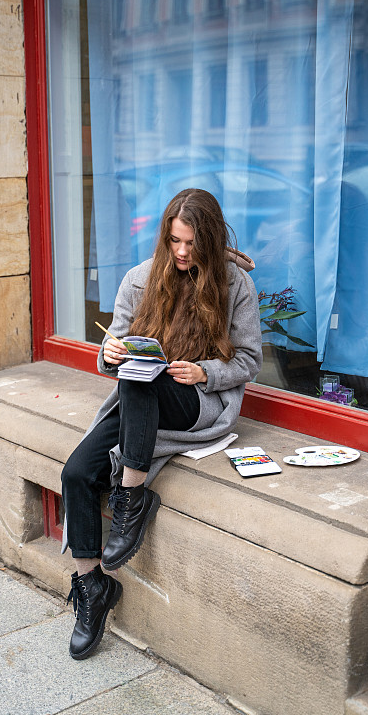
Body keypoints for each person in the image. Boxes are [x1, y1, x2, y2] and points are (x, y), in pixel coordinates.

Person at [61, 188, 262, 660]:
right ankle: (93, 588)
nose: (182, 252)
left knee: (142, 380)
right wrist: (109, 355)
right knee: (76, 471)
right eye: (174, 241)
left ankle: (131, 496)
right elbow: (112, 353)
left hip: (195, 401)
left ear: (209, 240)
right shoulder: (139, 280)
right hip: (137, 400)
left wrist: (206, 371)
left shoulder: (235, 285)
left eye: (192, 243)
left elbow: (250, 360)